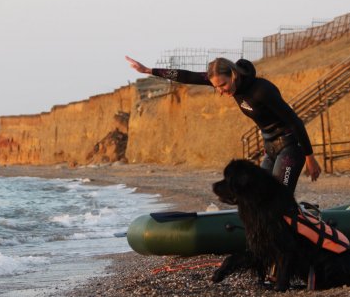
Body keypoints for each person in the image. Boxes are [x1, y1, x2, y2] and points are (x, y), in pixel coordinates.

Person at [126, 55, 321, 193]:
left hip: (289, 147)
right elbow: (187, 76)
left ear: (233, 75)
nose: (220, 90)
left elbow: (294, 121)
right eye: (216, 86)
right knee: (258, 195)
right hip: (270, 147)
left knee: (279, 197)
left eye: (223, 85)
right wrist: (148, 70)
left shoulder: (261, 90)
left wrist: (310, 158)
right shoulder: (223, 80)